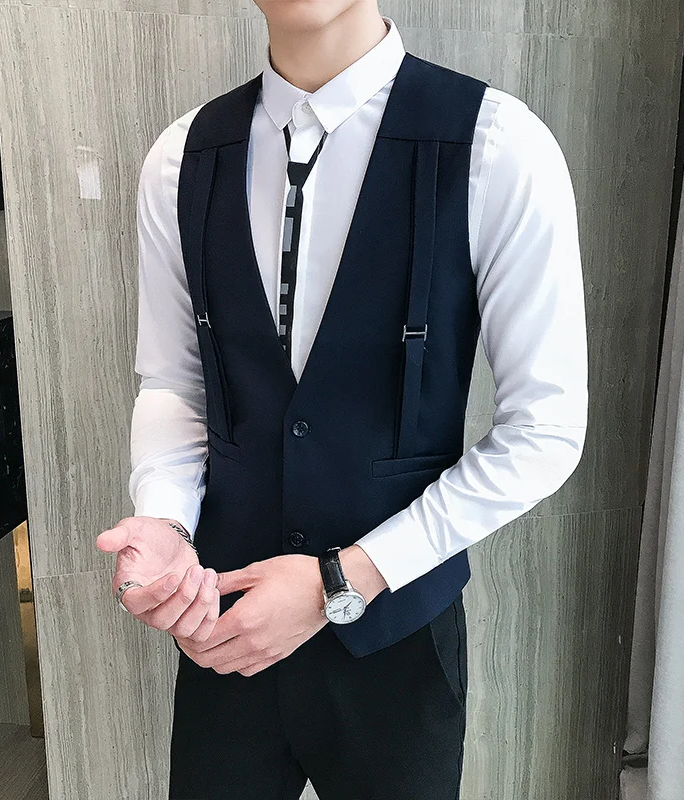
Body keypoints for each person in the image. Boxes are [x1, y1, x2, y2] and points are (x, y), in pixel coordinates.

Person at [96, 2, 588, 798]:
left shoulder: (498, 146)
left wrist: (342, 581)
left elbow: (545, 431)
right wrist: (165, 520)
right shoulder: (181, 158)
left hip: (397, 649)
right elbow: (176, 382)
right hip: (226, 628)